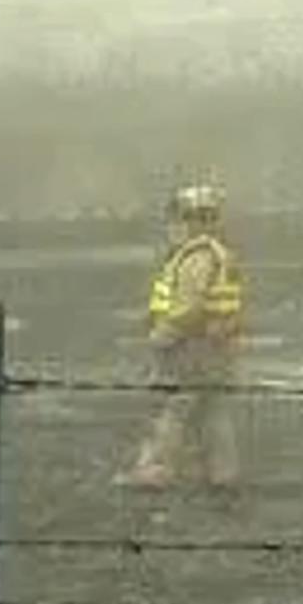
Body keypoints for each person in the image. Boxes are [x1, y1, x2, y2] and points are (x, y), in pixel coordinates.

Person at [123, 182, 245, 492]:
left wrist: (162, 335)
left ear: (192, 220)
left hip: (192, 346)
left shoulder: (195, 258)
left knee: (174, 408)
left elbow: (189, 307)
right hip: (217, 346)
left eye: (178, 218)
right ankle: (222, 472)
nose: (173, 226)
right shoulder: (219, 254)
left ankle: (155, 470)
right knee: (213, 409)